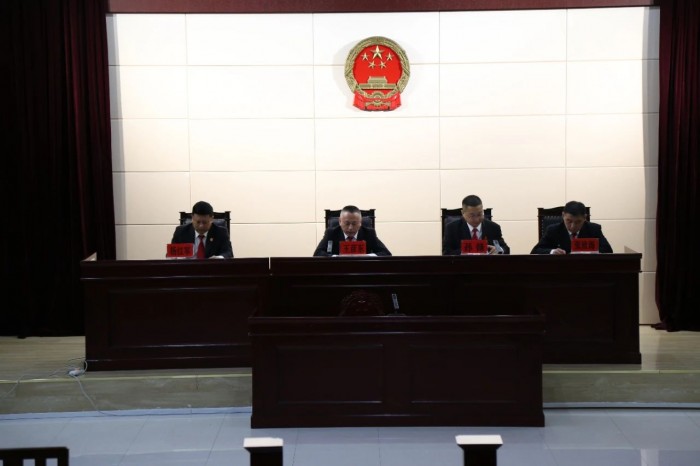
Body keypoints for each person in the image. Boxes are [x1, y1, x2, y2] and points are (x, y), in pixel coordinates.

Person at [530, 200, 612, 255]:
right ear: (563, 216)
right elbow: (535, 251)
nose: (573, 226)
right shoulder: (553, 230)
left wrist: (590, 252)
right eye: (569, 221)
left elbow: (608, 251)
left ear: (584, 218)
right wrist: (552, 251)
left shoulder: (594, 229)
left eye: (578, 222)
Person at [442, 195, 510, 255]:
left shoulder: (493, 227)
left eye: (480, 214)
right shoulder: (452, 228)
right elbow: (446, 252)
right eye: (472, 215)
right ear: (463, 213)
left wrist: (499, 250)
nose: (477, 219)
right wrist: (465, 252)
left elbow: (506, 249)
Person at [314, 205, 391, 256]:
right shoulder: (331, 233)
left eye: (354, 223)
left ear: (360, 222)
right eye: (347, 223)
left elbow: (386, 254)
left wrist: (366, 256)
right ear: (340, 221)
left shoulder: (369, 233)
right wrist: (337, 257)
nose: (350, 228)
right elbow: (317, 254)